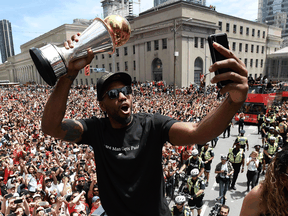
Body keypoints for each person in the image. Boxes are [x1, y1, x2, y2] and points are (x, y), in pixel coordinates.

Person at [40, 34, 248, 215]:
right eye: (113, 94)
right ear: (102, 105)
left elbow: (198, 133)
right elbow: (51, 127)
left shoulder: (152, 125)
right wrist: (69, 75)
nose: (122, 96)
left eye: (127, 90)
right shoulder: (96, 129)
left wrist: (234, 101)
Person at [240, 146, 288, 216]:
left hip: (255, 171)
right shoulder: (259, 196)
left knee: (253, 182)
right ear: (283, 178)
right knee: (250, 182)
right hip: (250, 171)